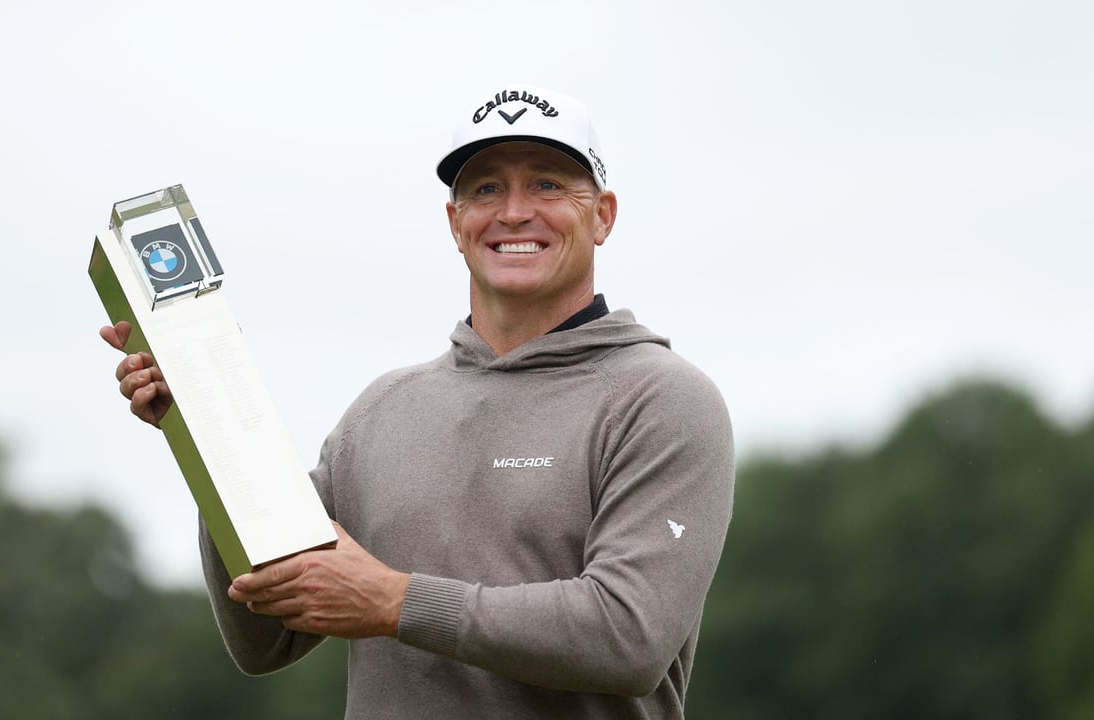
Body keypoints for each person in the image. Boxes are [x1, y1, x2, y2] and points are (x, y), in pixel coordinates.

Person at [101, 83, 734, 719]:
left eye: (547, 184)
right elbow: (263, 639)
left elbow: (628, 637)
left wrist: (394, 602)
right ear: (456, 223)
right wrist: (204, 428)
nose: (514, 212)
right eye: (486, 189)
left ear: (603, 215)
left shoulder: (662, 400)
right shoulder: (382, 411)